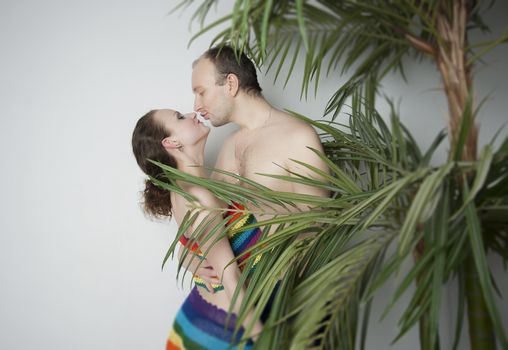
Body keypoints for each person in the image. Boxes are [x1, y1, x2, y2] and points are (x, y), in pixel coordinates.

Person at [183, 45, 330, 291]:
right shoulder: (228, 147)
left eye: (201, 92)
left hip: (283, 296)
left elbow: (320, 233)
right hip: (239, 303)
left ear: (230, 84)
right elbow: (208, 222)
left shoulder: (298, 137)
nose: (196, 105)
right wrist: (189, 260)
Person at [132, 109, 264, 349]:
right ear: (171, 142)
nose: (192, 113)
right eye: (180, 117)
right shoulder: (197, 197)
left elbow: (193, 245)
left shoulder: (185, 189)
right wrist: (264, 341)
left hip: (201, 322)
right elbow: (231, 279)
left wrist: (188, 258)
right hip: (223, 336)